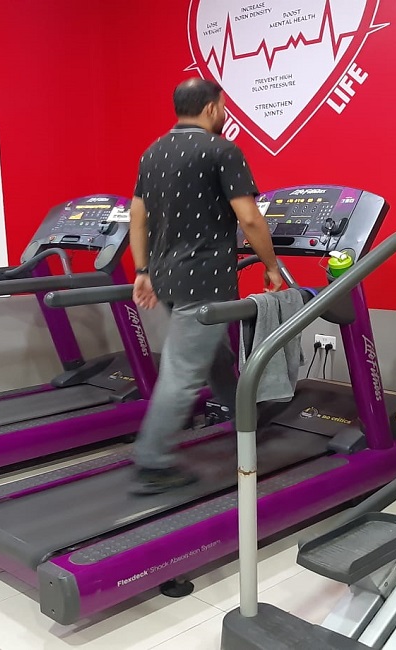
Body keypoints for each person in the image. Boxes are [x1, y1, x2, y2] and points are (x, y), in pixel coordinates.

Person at [128, 78, 283, 495]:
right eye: (224, 107)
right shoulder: (222, 150)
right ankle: (152, 462)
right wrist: (271, 267)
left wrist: (142, 270)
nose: (225, 113)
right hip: (205, 281)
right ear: (212, 108)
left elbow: (137, 216)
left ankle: (244, 419)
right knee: (182, 372)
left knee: (214, 356)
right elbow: (249, 218)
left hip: (166, 276)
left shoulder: (152, 152)